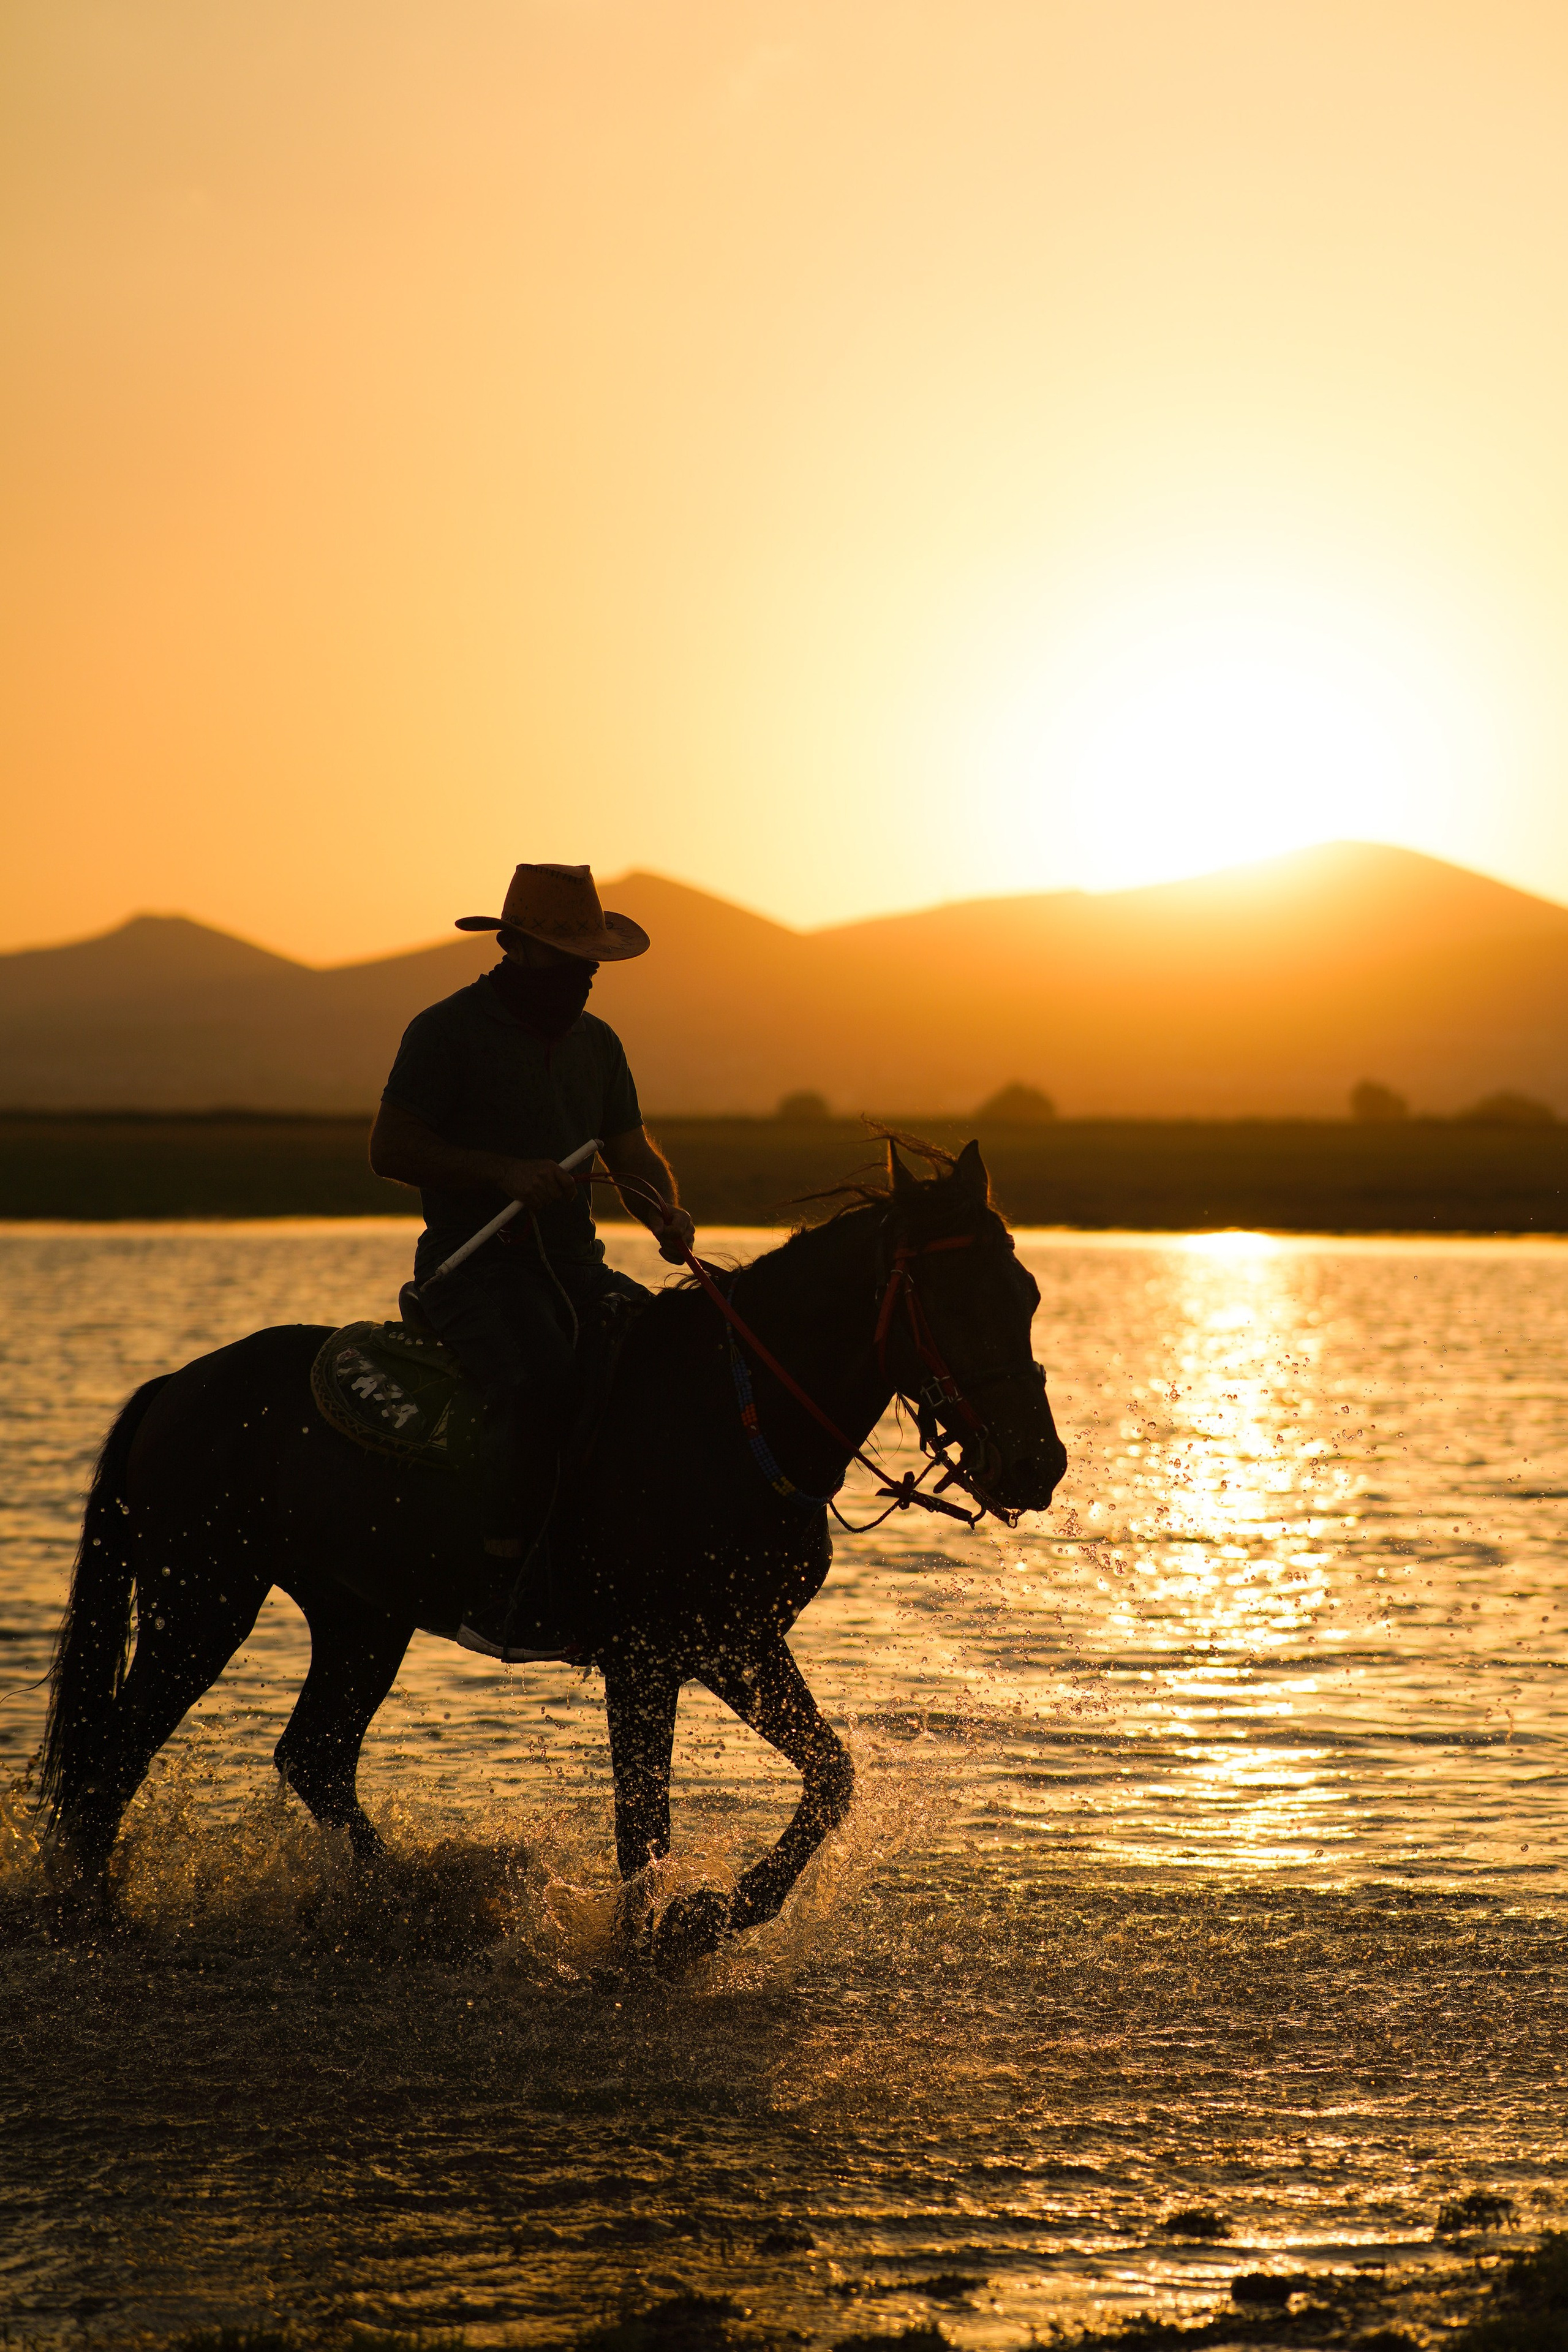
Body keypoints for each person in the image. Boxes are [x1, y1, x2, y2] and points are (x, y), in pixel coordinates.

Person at [369, 861, 695, 1660]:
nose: (583, 976)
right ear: (514, 948)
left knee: (667, 1359)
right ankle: (504, 1588)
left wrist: (664, 1213)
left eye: (591, 963)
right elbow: (392, 1148)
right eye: (567, 959)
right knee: (538, 1385)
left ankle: (625, 1560)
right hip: (472, 1269)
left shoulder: (598, 1044)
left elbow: (629, 1152)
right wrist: (502, 1173)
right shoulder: (445, 1032)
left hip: (575, 1269)